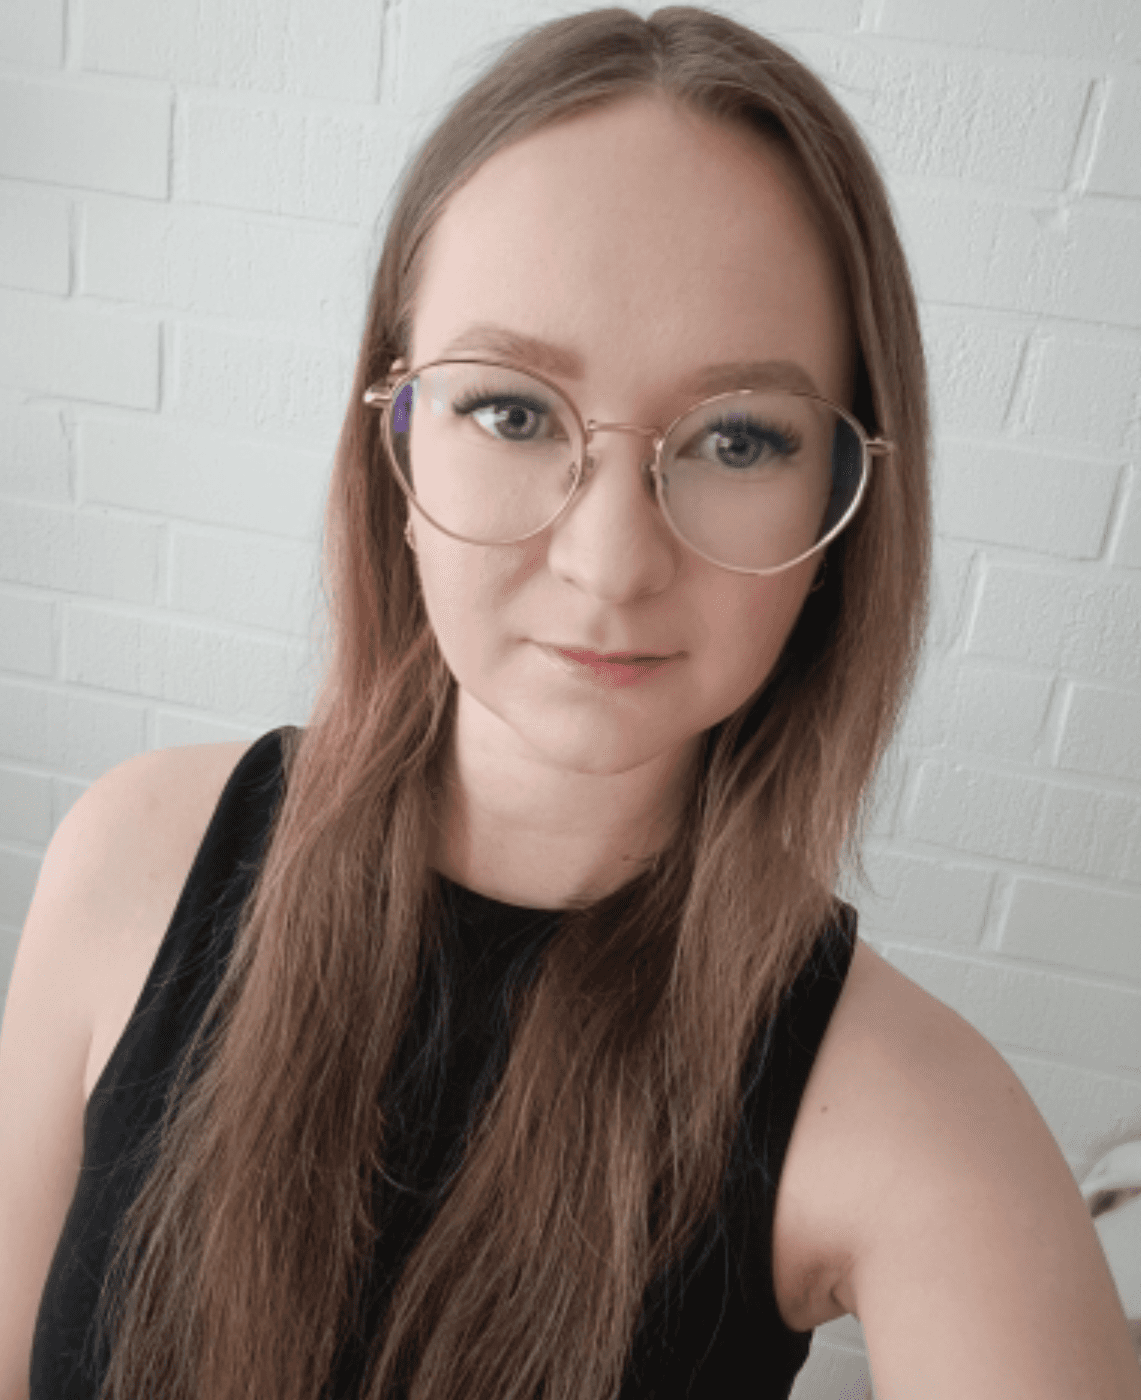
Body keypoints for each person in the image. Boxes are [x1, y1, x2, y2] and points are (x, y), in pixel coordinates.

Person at [1, 7, 1138, 1400]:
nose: (610, 565)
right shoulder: (134, 856)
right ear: (393, 439)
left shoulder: (910, 1115)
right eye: (513, 411)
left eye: (738, 439)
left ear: (839, 513)